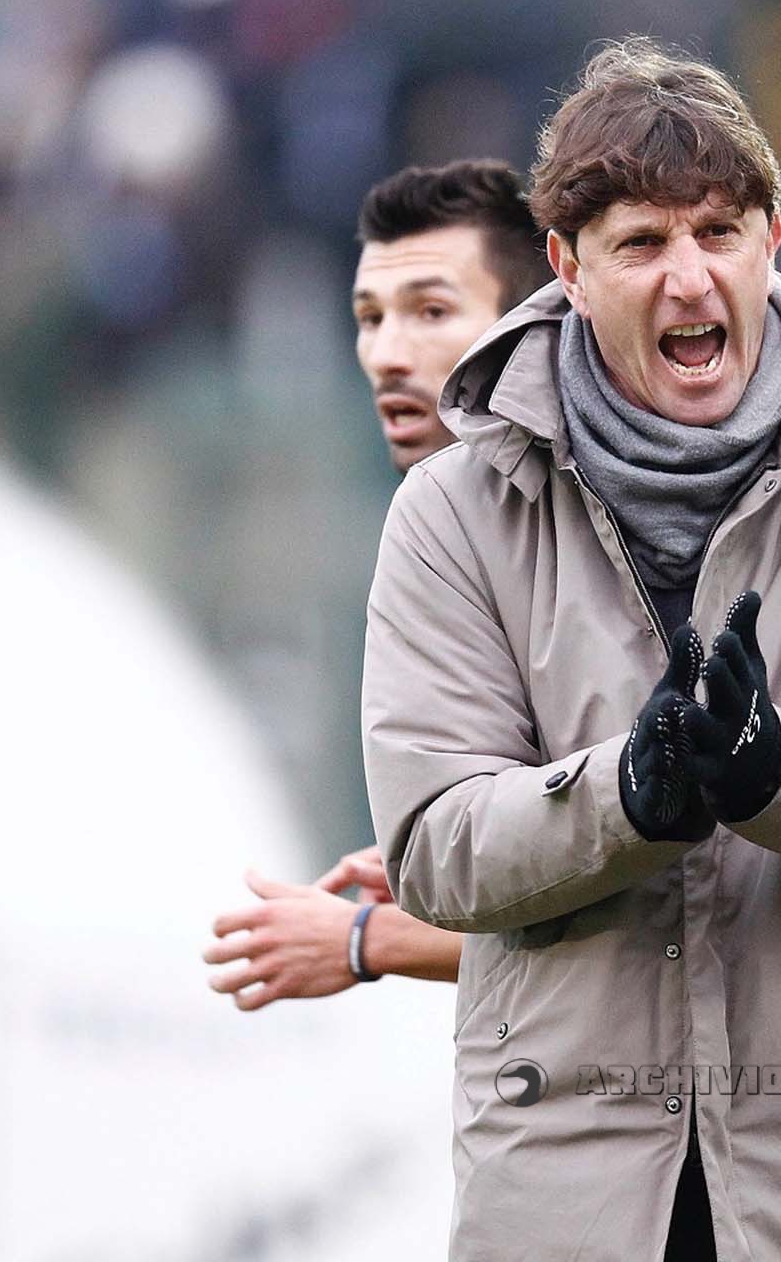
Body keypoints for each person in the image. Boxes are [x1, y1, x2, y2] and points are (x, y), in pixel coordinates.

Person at [360, 39, 781, 1262]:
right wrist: (624, 796)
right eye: (641, 243)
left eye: (720, 231)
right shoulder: (451, 512)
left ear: (774, 238)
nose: (690, 276)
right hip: (567, 1198)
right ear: (565, 268)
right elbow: (433, 845)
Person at [204, 159, 552, 1009]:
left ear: (531, 325)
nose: (388, 355)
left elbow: (674, 892)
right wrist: (451, 857)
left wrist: (367, 940)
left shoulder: (610, 523)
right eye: (369, 318)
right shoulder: (451, 527)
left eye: (431, 312)